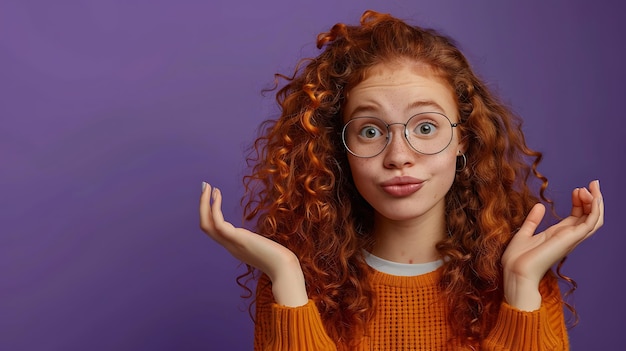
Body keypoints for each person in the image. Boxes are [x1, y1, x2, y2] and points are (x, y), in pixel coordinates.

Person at [199, 10, 604, 351]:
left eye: (425, 127)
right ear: (340, 150)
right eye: (371, 131)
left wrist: (519, 287)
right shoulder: (296, 288)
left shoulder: (521, 277)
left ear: (462, 138)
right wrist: (286, 275)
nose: (398, 157)